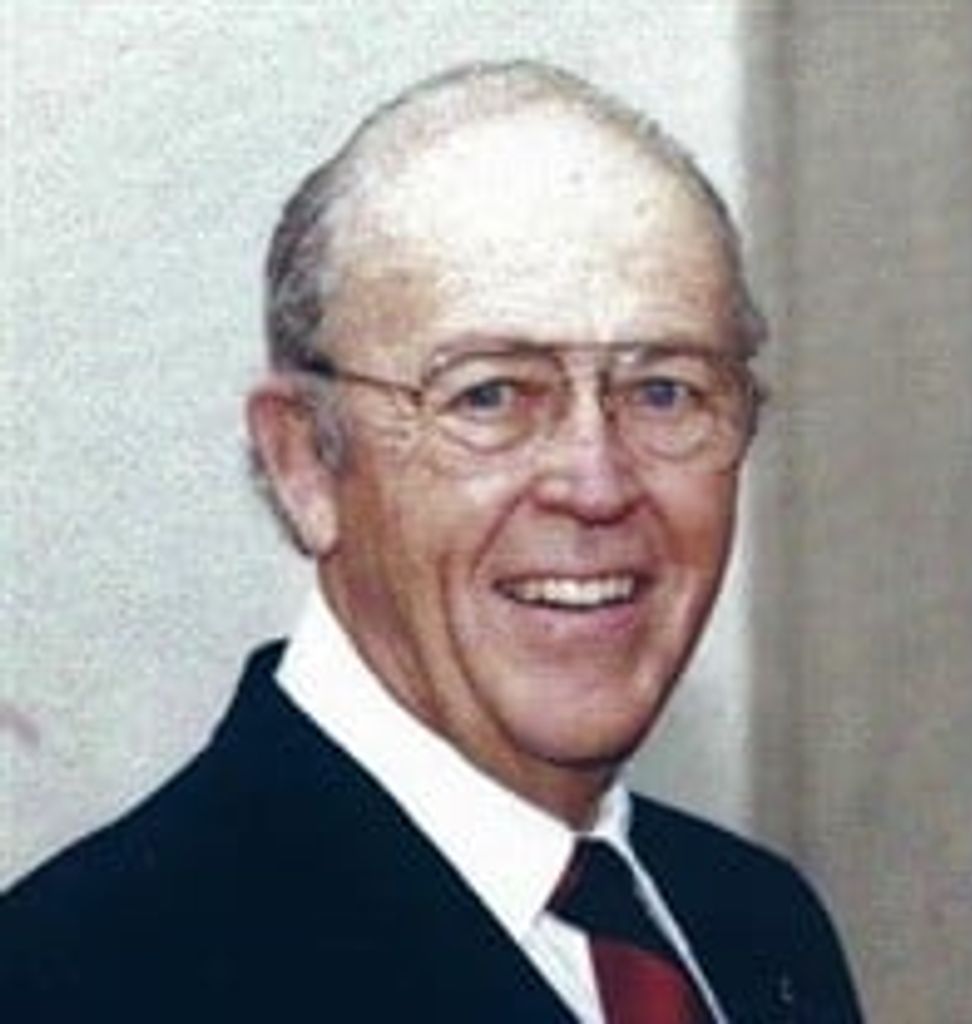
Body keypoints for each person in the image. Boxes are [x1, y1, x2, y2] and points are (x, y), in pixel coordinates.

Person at [2, 61, 862, 1022]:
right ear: (304, 462)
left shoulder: (756, 927)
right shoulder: (86, 982)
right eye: (489, 395)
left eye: (666, 390)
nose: (596, 484)